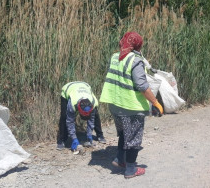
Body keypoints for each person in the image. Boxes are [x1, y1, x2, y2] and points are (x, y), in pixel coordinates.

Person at [100, 31, 163, 179]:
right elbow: (142, 85)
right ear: (137, 45)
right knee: (134, 138)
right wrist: (155, 102)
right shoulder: (134, 60)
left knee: (123, 133)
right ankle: (130, 169)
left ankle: (120, 159)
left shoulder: (115, 57)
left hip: (115, 104)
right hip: (130, 106)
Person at [56, 81, 106, 151]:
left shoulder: (93, 103)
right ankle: (62, 140)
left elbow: (91, 120)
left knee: (96, 115)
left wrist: (89, 135)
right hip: (68, 88)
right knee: (64, 116)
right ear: (79, 110)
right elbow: (70, 122)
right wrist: (74, 139)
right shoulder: (73, 104)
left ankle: (100, 135)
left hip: (84, 86)